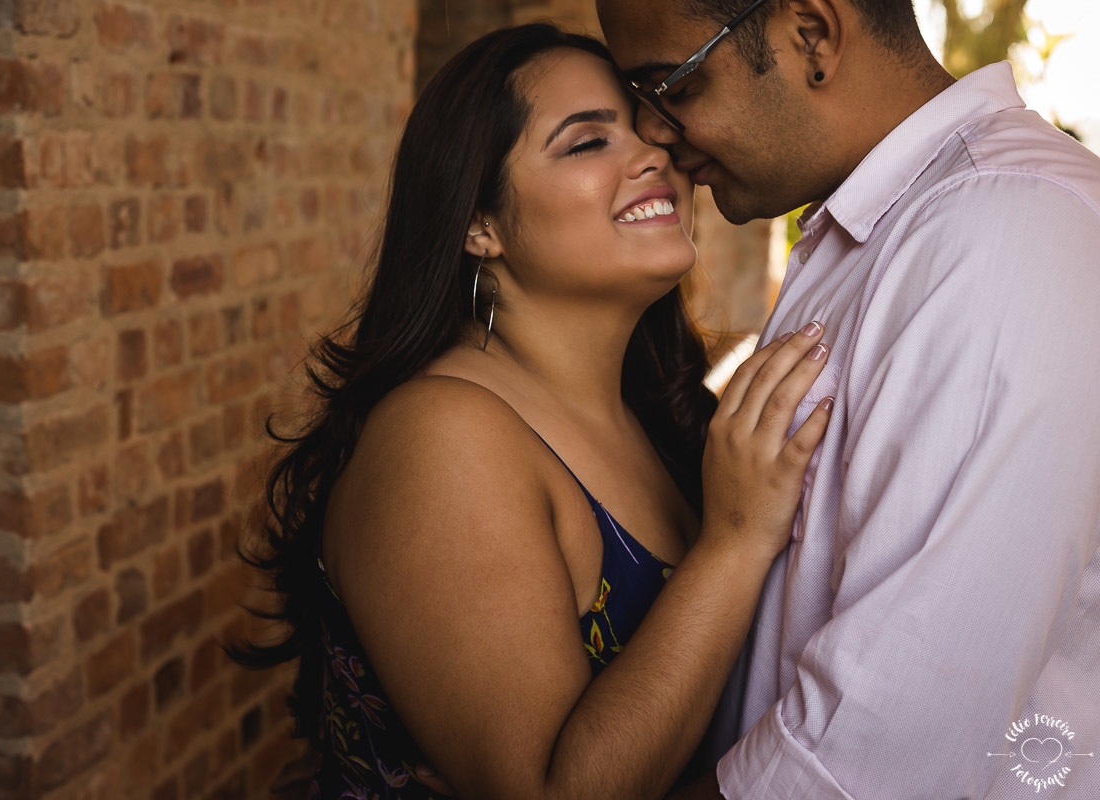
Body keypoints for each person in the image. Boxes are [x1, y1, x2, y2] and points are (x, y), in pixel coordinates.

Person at [232, 23, 839, 800]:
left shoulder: (656, 414)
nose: (656, 154)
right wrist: (734, 543)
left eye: (649, 125)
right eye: (587, 143)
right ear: (478, 225)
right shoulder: (442, 437)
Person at [596, 0, 1100, 797]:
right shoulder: (882, 229)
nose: (653, 133)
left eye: (673, 86)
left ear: (813, 36)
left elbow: (879, 752)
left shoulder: (1004, 234)